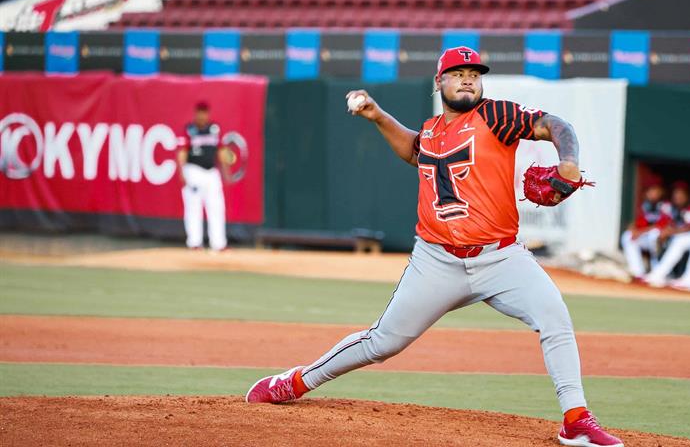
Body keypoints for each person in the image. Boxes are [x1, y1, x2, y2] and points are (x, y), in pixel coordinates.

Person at [244, 47, 624, 447]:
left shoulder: (496, 115)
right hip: (436, 261)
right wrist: (377, 116)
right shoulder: (432, 130)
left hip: (501, 257)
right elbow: (413, 149)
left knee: (555, 318)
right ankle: (296, 381)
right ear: (439, 82)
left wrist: (568, 161)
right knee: (382, 342)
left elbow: (554, 125)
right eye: (458, 73)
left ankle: (576, 418)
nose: (467, 79)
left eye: (474, 74)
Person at [176, 101, 231, 252]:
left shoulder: (214, 129)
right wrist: (181, 172)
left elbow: (221, 151)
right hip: (193, 171)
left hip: (211, 173)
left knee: (217, 207)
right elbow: (182, 152)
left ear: (208, 113)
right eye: (200, 112)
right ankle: (194, 243)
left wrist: (226, 170)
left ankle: (219, 244)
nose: (202, 115)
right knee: (193, 207)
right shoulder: (189, 130)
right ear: (195, 113)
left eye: (205, 112)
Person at [644, 181, 690, 291]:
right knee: (656, 236)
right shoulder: (671, 208)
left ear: (687, 196)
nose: (678, 197)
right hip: (679, 238)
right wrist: (665, 231)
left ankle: (661, 274)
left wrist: (671, 232)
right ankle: (661, 273)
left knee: (682, 240)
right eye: (676, 194)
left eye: (681, 195)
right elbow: (666, 223)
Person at [620, 176, 671, 283]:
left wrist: (640, 232)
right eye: (650, 190)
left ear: (661, 192)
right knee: (628, 236)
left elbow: (661, 225)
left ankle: (658, 271)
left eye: (655, 190)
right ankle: (638, 273)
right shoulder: (645, 205)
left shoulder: (665, 205)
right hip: (647, 238)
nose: (653, 193)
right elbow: (639, 224)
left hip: (665, 241)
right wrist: (633, 229)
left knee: (654, 234)